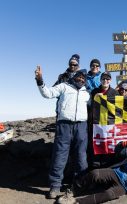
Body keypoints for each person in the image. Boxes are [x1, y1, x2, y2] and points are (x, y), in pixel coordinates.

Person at [35, 66, 90, 199]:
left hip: (81, 126)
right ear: (75, 76)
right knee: (60, 156)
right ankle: (55, 186)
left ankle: (78, 185)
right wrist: (40, 80)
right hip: (64, 125)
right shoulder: (64, 86)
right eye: (79, 77)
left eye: (83, 78)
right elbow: (47, 93)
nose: (81, 79)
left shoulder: (87, 93)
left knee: (81, 157)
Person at [57, 140, 127, 204]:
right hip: (117, 174)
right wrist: (121, 145)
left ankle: (77, 202)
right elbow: (118, 151)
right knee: (95, 173)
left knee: (109, 195)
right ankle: (73, 191)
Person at [88, 72, 118, 169]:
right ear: (100, 80)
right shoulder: (94, 92)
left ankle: (106, 170)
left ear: (110, 80)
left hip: (109, 125)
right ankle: (94, 169)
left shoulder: (115, 93)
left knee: (108, 148)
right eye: (103, 79)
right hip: (96, 125)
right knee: (96, 147)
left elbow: (119, 109)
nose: (105, 81)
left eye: (107, 79)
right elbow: (89, 107)